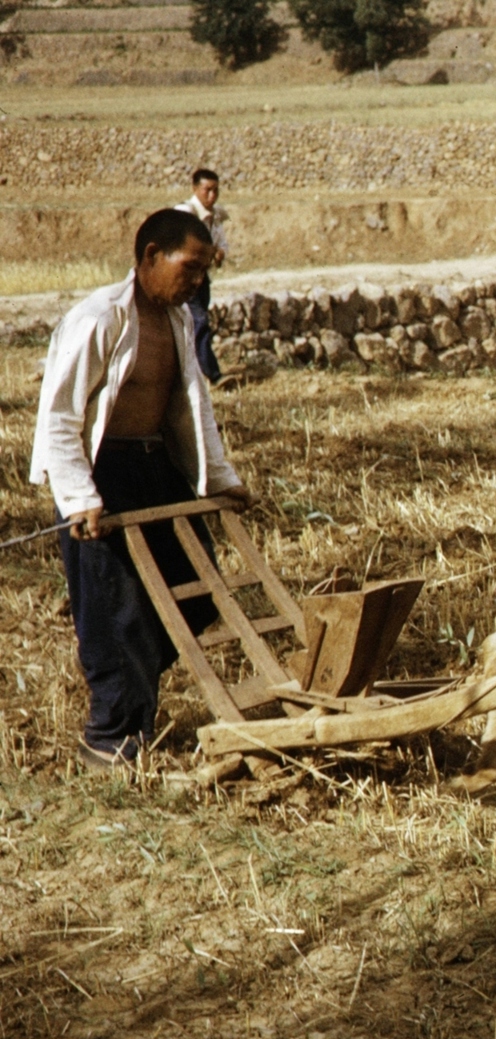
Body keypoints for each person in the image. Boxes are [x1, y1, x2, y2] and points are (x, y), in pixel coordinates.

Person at [30, 208, 250, 769]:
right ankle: (110, 738)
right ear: (151, 255)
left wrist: (221, 482)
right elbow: (58, 416)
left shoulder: (177, 320)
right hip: (102, 475)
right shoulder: (100, 318)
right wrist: (78, 498)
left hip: (155, 467)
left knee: (196, 591)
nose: (198, 280)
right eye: (190, 267)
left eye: (204, 270)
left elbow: (193, 412)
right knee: (115, 608)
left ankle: (135, 701)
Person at [176, 168, 227, 383]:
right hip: (185, 278)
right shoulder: (184, 214)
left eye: (216, 191)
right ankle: (213, 374)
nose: (212, 196)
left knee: (194, 324)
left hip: (202, 278)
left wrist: (219, 253)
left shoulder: (215, 217)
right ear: (195, 189)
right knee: (199, 321)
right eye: (207, 190)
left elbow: (221, 245)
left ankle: (192, 373)